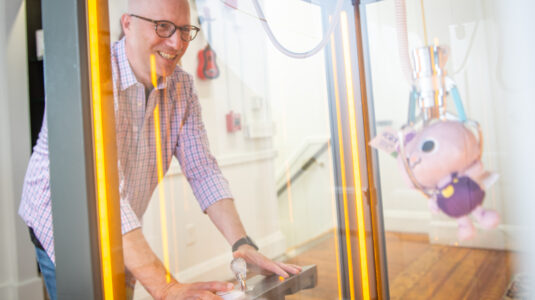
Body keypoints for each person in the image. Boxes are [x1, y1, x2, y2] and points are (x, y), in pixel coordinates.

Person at [19, 0, 300, 299]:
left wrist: (241, 243)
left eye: (184, 30)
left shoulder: (182, 87)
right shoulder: (91, 78)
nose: (176, 43)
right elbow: (104, 196)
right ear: (127, 24)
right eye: (163, 27)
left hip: (122, 226)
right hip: (62, 222)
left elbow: (203, 169)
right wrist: (166, 288)